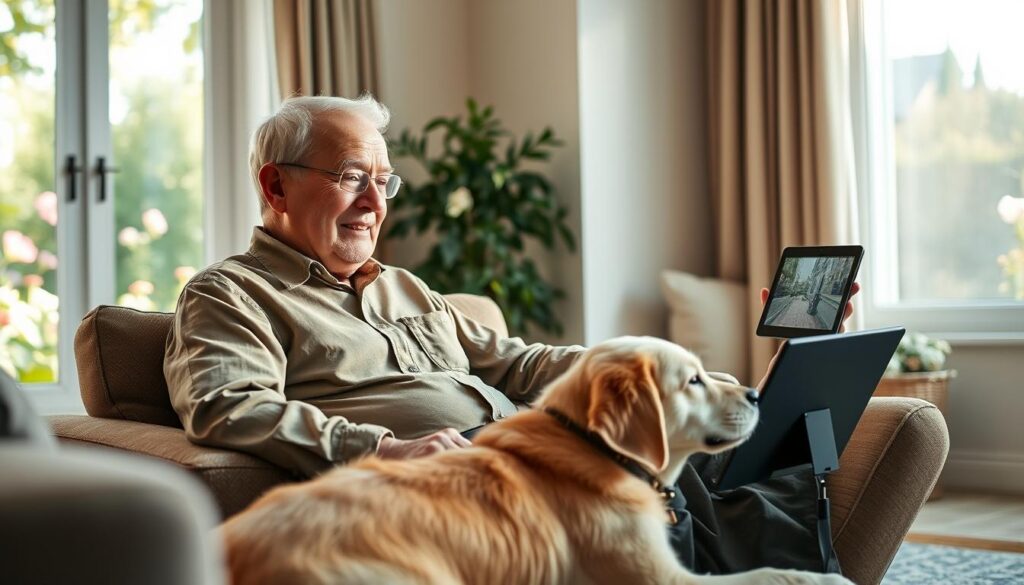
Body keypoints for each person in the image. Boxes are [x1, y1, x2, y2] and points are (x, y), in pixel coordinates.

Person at [164, 94, 856, 575]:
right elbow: (229, 404)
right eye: (352, 178)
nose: (375, 203)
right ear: (276, 188)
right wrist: (384, 446)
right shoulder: (231, 293)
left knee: (773, 457)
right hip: (495, 496)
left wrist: (662, 372)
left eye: (384, 180)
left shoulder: (407, 287)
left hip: (553, 460)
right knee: (734, 479)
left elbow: (520, 363)